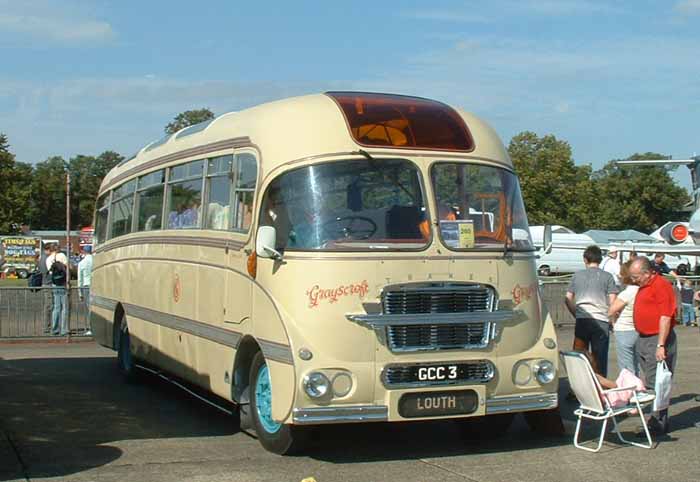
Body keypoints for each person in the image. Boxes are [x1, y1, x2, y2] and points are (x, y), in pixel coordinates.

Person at [629, 256, 678, 435]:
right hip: (644, 338)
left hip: (656, 339)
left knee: (656, 383)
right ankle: (655, 420)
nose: (633, 281)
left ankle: (657, 423)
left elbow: (665, 316)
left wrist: (660, 345)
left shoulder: (661, 286)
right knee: (649, 381)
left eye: (636, 277)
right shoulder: (645, 285)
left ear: (648, 273)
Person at [565, 245, 618, 377]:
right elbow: (613, 301)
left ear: (585, 259)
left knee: (579, 356)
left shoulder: (577, 276)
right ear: (600, 259)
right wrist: (613, 321)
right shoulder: (607, 277)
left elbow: (567, 298)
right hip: (601, 320)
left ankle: (578, 388)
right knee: (599, 358)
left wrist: (576, 314)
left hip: (582, 319)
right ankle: (600, 388)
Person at [608, 261, 640, 376]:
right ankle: (637, 387)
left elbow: (611, 310)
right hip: (636, 329)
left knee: (626, 366)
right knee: (635, 363)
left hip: (624, 329)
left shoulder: (627, 293)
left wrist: (613, 319)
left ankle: (630, 389)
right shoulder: (641, 291)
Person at [46, 243, 69, 336]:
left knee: (56, 307)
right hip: (63, 283)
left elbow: (50, 272)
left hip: (55, 283)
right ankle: (64, 329)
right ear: (57, 249)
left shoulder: (48, 259)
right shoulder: (62, 256)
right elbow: (68, 268)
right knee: (65, 307)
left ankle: (55, 329)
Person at [77, 245, 93, 336]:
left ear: (84, 252)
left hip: (86, 286)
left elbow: (80, 279)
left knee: (89, 308)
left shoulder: (82, 263)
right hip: (96, 286)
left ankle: (91, 328)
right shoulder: (96, 260)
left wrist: (80, 293)